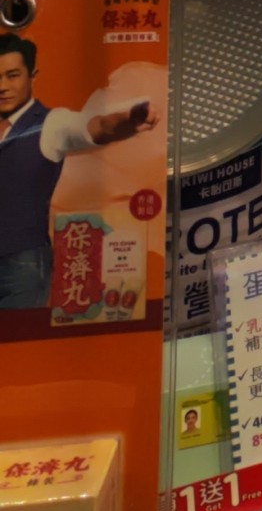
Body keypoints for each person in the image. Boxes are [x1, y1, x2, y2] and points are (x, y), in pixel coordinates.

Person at [0, 32, 155, 310]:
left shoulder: (52, 124)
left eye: (12, 76)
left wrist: (127, 122)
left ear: (32, 76)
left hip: (21, 264)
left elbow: (97, 127)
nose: (3, 87)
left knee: (19, 336)